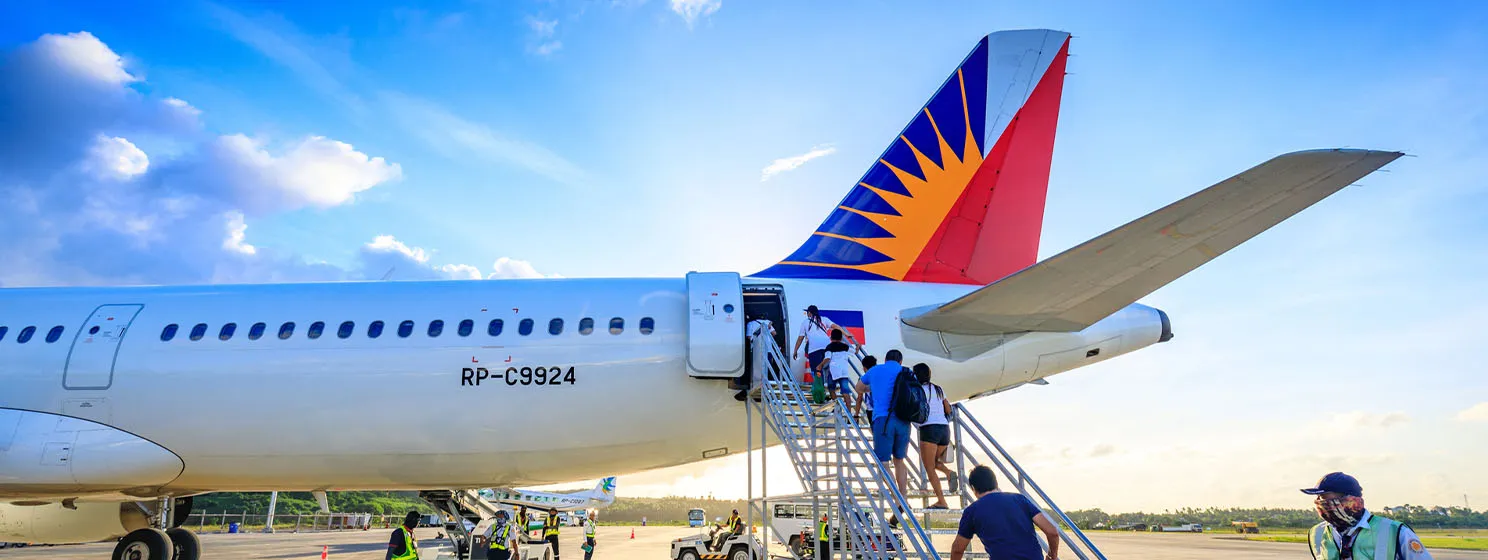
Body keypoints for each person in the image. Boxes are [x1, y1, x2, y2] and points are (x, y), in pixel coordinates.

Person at [1302, 472, 1432, 559]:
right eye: (1318, 499)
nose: (1320, 504)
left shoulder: (1396, 531)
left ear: (1351, 500)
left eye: (1326, 500)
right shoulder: (1317, 534)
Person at [950, 466, 1060, 560]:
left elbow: (957, 549)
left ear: (973, 488)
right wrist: (1052, 555)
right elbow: (1052, 532)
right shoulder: (1020, 499)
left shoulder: (972, 511)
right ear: (995, 483)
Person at [853, 349, 910, 527]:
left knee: (883, 463)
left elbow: (858, 388)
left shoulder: (875, 371)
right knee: (899, 459)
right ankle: (904, 497)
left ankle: (898, 500)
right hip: (903, 420)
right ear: (900, 361)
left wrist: (874, 387)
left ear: (885, 359)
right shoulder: (906, 371)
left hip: (883, 420)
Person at [912, 363, 956, 509]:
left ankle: (941, 501)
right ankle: (948, 473)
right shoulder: (938, 389)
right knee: (934, 462)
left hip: (928, 429)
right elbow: (948, 408)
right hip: (944, 429)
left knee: (929, 467)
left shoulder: (917, 391)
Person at [793, 306, 857, 377]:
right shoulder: (824, 319)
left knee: (816, 370)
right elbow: (835, 326)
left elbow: (800, 338)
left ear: (809, 313)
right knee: (827, 367)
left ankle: (820, 386)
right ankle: (830, 384)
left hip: (814, 349)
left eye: (808, 313)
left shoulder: (805, 322)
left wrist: (795, 351)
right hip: (827, 347)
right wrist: (846, 334)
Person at [816, 329, 857, 411]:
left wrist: (820, 365)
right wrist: (858, 346)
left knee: (831, 389)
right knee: (846, 393)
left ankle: (838, 407)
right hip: (844, 373)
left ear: (831, 338)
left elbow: (827, 358)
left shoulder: (829, 347)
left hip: (834, 372)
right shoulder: (845, 346)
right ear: (841, 338)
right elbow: (855, 352)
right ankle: (849, 413)